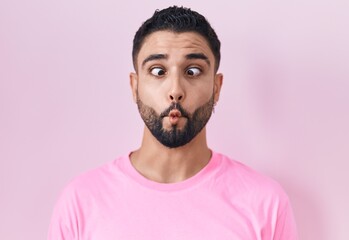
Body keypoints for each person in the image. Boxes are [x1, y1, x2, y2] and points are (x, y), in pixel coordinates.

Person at [48, 6, 298, 240]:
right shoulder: (81, 202)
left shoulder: (266, 204)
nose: (176, 90)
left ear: (216, 87)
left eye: (193, 71)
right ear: (135, 86)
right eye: (158, 71)